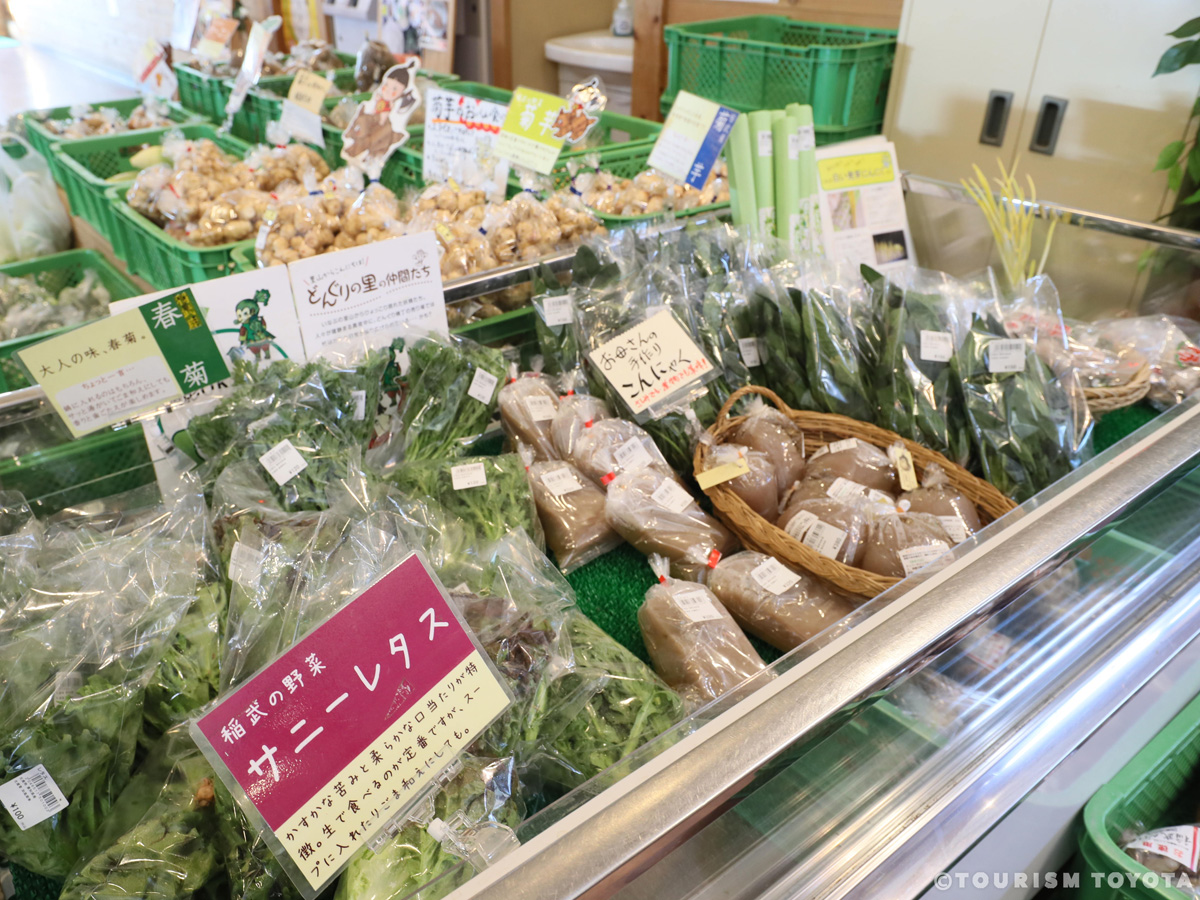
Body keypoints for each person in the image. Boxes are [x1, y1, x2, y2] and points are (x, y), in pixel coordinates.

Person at [235, 289, 275, 361]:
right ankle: (259, 357)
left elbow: (263, 327)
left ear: (253, 311)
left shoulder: (257, 321)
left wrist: (242, 341)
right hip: (254, 340)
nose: (241, 318)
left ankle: (266, 355)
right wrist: (242, 341)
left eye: (244, 314)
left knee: (264, 347)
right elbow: (243, 334)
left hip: (258, 339)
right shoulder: (245, 326)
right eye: (239, 315)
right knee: (256, 349)